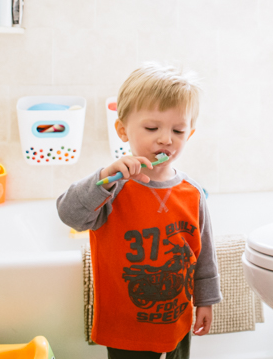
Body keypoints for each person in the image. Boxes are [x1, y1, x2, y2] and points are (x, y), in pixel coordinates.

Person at [57, 63, 220, 358]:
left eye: (178, 130)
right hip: (126, 329)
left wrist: (206, 301)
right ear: (122, 130)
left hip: (177, 321)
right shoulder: (111, 187)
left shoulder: (193, 194)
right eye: (152, 128)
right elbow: (70, 214)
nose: (166, 139)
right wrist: (103, 178)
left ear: (190, 134)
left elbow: (204, 254)